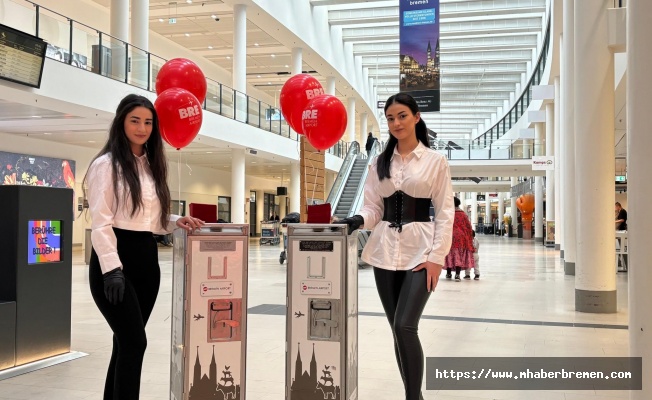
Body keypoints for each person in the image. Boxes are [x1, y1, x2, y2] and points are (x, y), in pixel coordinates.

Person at [84, 94, 204, 400]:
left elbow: (151, 220)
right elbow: (101, 223)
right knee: (135, 342)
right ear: (121, 122)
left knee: (124, 343)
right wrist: (112, 269)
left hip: (147, 262)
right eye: (135, 120)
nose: (142, 128)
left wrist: (177, 220)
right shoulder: (105, 166)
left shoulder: (152, 167)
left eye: (148, 122)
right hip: (115, 263)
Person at [339, 93, 454, 399]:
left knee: (405, 326)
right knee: (396, 330)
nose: (396, 123)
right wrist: (356, 220)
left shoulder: (435, 161)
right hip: (384, 252)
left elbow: (445, 212)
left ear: (416, 116)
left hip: (422, 252)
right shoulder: (380, 162)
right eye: (390, 118)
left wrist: (437, 258)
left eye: (402, 116)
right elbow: (374, 209)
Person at [444, 197, 475, 281]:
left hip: (450, 236)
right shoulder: (463, 214)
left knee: (449, 254)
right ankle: (457, 275)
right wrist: (469, 238)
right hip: (461, 238)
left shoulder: (448, 213)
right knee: (458, 255)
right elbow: (468, 227)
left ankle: (448, 273)